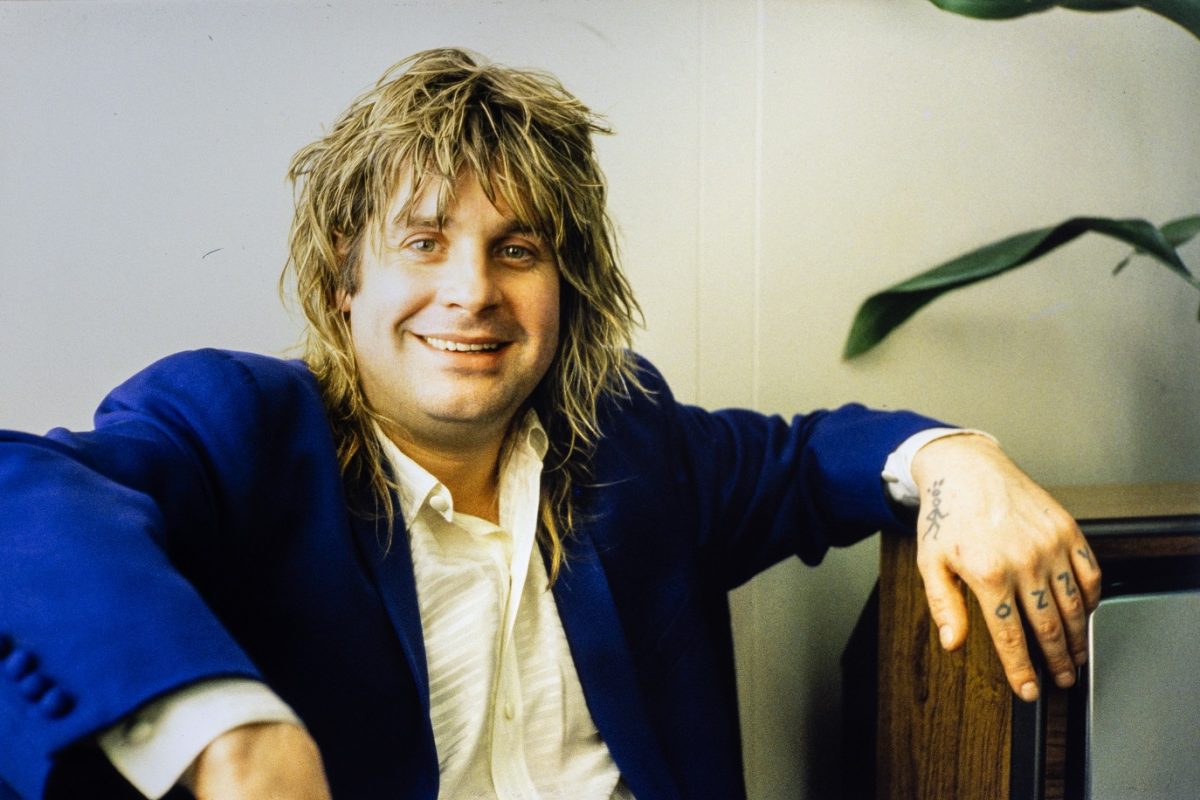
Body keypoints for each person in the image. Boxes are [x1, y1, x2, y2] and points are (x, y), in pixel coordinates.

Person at [0, 48, 1099, 800]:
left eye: (516, 249)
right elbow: (23, 505)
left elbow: (811, 456)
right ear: (344, 281)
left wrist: (959, 459)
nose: (472, 292)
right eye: (423, 243)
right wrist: (229, 730)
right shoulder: (240, 429)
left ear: (565, 288)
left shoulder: (634, 440)